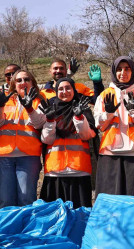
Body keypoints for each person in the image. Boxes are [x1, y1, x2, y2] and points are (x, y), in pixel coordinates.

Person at [93, 56, 134, 199]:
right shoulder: (105, 94)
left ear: (132, 71)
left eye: (127, 69)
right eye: (119, 69)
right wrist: (108, 114)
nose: (123, 73)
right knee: (110, 199)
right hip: (110, 153)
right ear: (114, 72)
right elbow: (99, 126)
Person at [0, 69, 46, 208]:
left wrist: (30, 108)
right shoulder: (4, 99)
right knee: (6, 200)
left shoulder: (39, 101)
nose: (23, 82)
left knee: (26, 199)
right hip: (4, 155)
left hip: (28, 155)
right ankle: (7, 230)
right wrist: (0, 106)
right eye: (19, 80)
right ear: (14, 84)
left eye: (26, 79)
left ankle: (26, 230)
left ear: (33, 83)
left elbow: (40, 124)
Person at [40, 77, 96, 207]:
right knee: (54, 216)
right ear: (55, 91)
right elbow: (47, 139)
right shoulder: (50, 109)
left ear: (74, 90)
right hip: (55, 171)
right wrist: (49, 120)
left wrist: (79, 117)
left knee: (79, 215)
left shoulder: (82, 108)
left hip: (79, 170)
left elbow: (87, 135)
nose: (64, 91)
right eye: (60, 89)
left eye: (68, 88)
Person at [40, 58, 105, 99]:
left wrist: (97, 83)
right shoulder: (43, 94)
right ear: (50, 71)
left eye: (61, 68)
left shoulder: (79, 87)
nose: (58, 71)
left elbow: (98, 100)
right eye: (55, 68)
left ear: (66, 70)